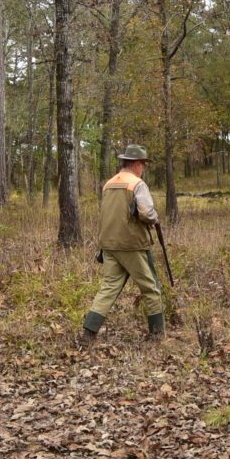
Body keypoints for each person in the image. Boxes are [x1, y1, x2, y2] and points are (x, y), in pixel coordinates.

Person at [82, 144, 167, 340]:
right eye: (143, 164)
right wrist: (155, 219)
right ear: (136, 164)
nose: (143, 168)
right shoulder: (137, 184)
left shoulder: (108, 184)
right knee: (150, 287)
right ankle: (157, 334)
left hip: (109, 244)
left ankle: (89, 331)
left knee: (109, 287)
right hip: (132, 244)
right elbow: (146, 213)